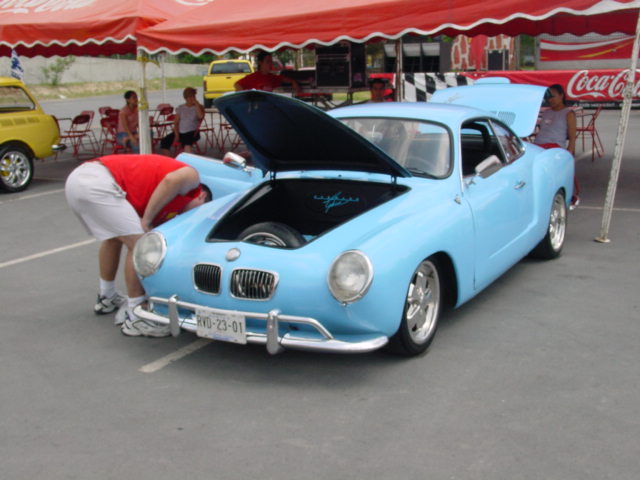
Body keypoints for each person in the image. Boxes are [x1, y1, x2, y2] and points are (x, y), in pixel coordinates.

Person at [65, 154, 210, 337]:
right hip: (96, 179)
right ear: (202, 196)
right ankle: (136, 315)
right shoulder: (193, 178)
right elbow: (171, 180)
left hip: (80, 180)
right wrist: (147, 219)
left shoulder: (170, 205)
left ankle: (107, 296)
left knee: (114, 237)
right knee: (140, 245)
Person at [534, 83, 580, 207]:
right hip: (538, 145)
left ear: (561, 95)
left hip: (555, 147)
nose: (550, 100)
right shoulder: (546, 112)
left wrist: (570, 153)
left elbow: (572, 137)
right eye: (548, 97)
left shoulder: (568, 113)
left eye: (553, 96)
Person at [160, 87, 205, 156]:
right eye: (189, 97)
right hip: (180, 132)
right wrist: (176, 134)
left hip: (192, 132)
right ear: (185, 98)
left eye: (193, 96)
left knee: (187, 142)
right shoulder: (181, 108)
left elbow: (201, 116)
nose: (191, 98)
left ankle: (188, 159)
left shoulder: (198, 107)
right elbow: (176, 122)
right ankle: (171, 160)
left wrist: (196, 104)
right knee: (164, 142)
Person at [235, 51, 300, 94]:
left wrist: (293, 82)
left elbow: (283, 79)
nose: (270, 64)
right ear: (260, 62)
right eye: (268, 61)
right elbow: (237, 85)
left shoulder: (272, 77)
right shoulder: (252, 77)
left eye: (271, 62)